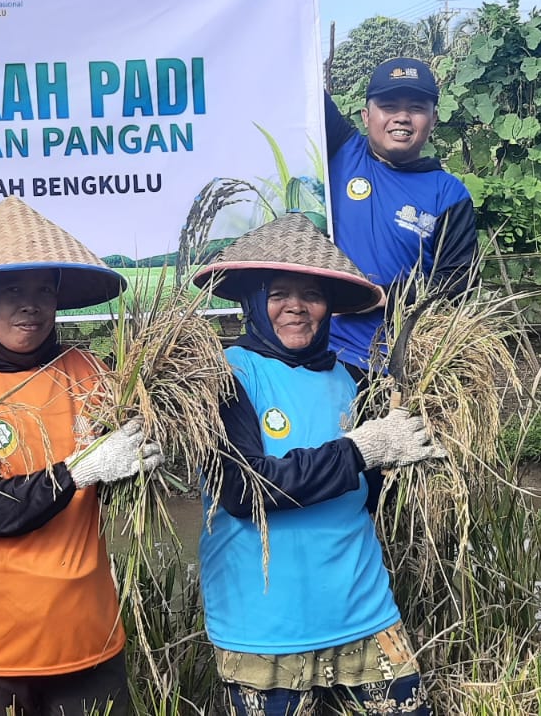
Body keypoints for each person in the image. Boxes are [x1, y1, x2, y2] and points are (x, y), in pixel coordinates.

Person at [0, 196, 163, 716]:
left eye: (45, 290)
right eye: (13, 291)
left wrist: (149, 442)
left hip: (86, 633)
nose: (32, 305)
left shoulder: (88, 371)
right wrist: (81, 470)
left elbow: (135, 459)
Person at [190, 214, 445, 716]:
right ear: (251, 301)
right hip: (264, 628)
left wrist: (413, 458)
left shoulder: (354, 380)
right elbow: (243, 490)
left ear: (329, 306)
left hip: (364, 612)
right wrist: (359, 451)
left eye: (312, 294)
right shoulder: (223, 378)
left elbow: (371, 494)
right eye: (278, 293)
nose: (296, 307)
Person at [324, 58, 477, 374]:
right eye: (388, 106)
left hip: (397, 368)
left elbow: (460, 280)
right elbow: (299, 81)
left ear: (433, 120)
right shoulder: (341, 149)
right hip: (323, 356)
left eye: (416, 108)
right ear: (366, 115)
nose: (402, 117)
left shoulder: (448, 193)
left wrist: (383, 296)